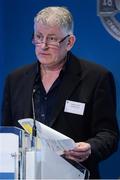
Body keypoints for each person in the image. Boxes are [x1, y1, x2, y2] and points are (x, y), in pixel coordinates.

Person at [1, 6, 119, 179]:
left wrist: (90, 148)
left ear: (69, 42)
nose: (43, 46)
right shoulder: (15, 79)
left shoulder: (96, 77)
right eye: (38, 37)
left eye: (52, 39)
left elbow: (109, 135)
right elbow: (7, 133)